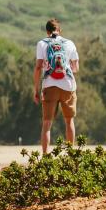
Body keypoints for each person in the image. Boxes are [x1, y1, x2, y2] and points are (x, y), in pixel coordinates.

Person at [33, 18, 79, 153]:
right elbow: (75, 68)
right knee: (69, 121)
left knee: (47, 124)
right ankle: (71, 155)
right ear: (60, 31)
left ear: (47, 31)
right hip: (68, 86)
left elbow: (38, 68)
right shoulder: (69, 43)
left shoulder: (42, 44)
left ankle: (46, 158)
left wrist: (36, 89)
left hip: (49, 85)